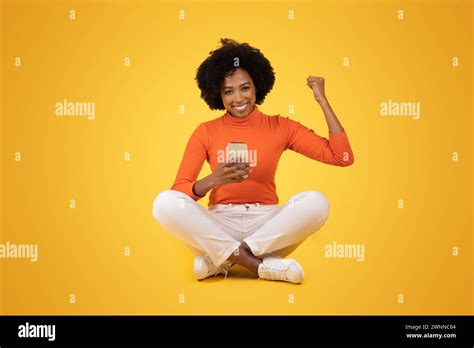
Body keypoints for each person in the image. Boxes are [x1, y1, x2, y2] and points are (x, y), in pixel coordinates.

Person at [152, 38, 354, 284]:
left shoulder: (281, 127)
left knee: (317, 202)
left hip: (267, 227)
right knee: (164, 203)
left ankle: (224, 259)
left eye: (245, 88)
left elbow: (341, 157)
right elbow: (179, 193)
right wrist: (213, 180)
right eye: (228, 91)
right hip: (219, 224)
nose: (238, 98)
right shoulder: (205, 131)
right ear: (218, 94)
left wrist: (322, 100)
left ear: (257, 86)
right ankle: (257, 265)